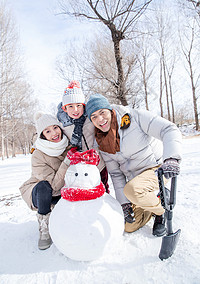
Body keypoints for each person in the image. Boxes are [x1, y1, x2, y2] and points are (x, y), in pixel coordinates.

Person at [86, 94, 182, 236]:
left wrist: (171, 158)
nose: (100, 119)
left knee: (132, 190)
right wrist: (124, 204)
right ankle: (156, 198)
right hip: (135, 183)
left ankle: (161, 210)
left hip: (156, 170)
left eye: (102, 112)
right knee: (128, 226)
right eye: (94, 117)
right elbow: (116, 174)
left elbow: (168, 129)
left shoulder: (134, 117)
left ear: (110, 109)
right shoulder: (100, 141)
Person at [19, 112, 71, 250]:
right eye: (48, 131)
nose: (54, 133)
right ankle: (44, 227)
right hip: (41, 192)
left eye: (55, 127)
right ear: (42, 135)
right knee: (44, 187)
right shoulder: (38, 154)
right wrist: (67, 162)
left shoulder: (69, 145)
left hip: (63, 191)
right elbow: (53, 186)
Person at [57, 80, 109, 193]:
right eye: (70, 106)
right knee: (82, 192)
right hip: (77, 166)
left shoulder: (91, 118)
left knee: (102, 189)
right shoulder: (62, 124)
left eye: (78, 105)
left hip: (98, 163)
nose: (75, 110)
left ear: (83, 106)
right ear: (64, 108)